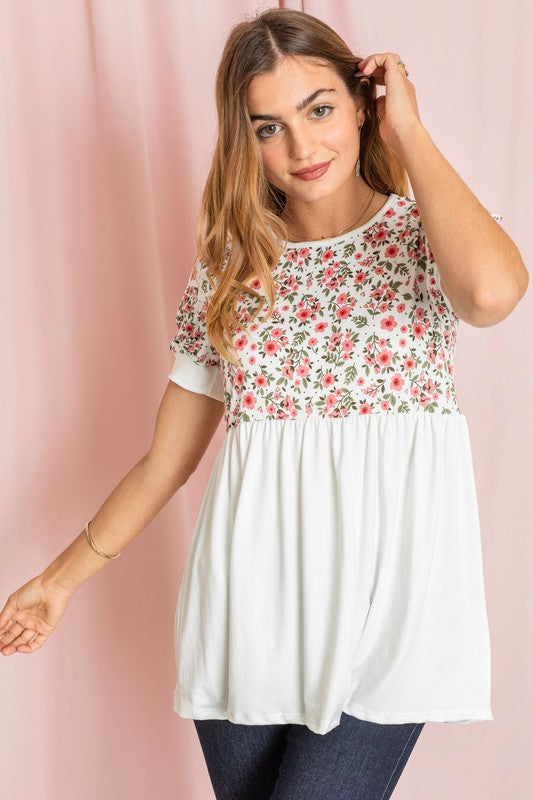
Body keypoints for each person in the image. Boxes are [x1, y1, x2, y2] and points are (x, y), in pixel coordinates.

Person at [0, 7, 528, 799]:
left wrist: (409, 134)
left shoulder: (425, 233)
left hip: (389, 627)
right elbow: (164, 464)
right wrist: (59, 580)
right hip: (249, 619)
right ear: (243, 141)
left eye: (319, 109)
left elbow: (490, 294)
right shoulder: (230, 270)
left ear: (362, 103)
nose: (302, 147)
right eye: (268, 127)